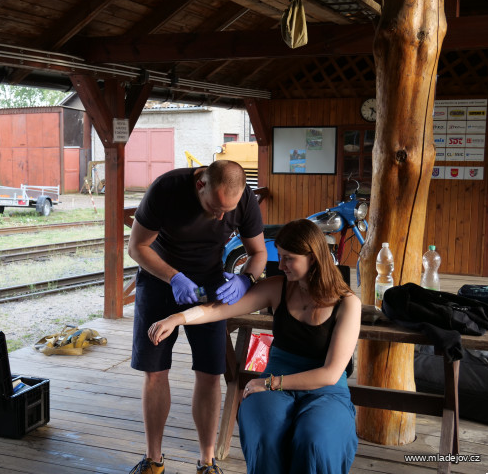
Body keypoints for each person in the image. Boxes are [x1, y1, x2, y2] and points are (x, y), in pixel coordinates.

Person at [149, 219, 361, 474]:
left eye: (288, 258)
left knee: (314, 440)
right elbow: (222, 309)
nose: (280, 265)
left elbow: (330, 374)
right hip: (276, 379)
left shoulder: (347, 303)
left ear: (313, 258)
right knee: (265, 431)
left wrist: (269, 383)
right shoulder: (278, 287)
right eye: (279, 256)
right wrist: (178, 318)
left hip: (324, 389)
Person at [128, 160, 266, 474]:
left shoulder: (243, 199)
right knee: (155, 370)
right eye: (215, 208)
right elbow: (136, 247)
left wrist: (246, 279)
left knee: (210, 372)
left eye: (226, 212)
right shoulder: (167, 189)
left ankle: (207, 462)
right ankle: (154, 460)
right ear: (200, 184)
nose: (221, 217)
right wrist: (174, 277)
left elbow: (258, 254)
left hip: (211, 282)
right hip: (160, 278)